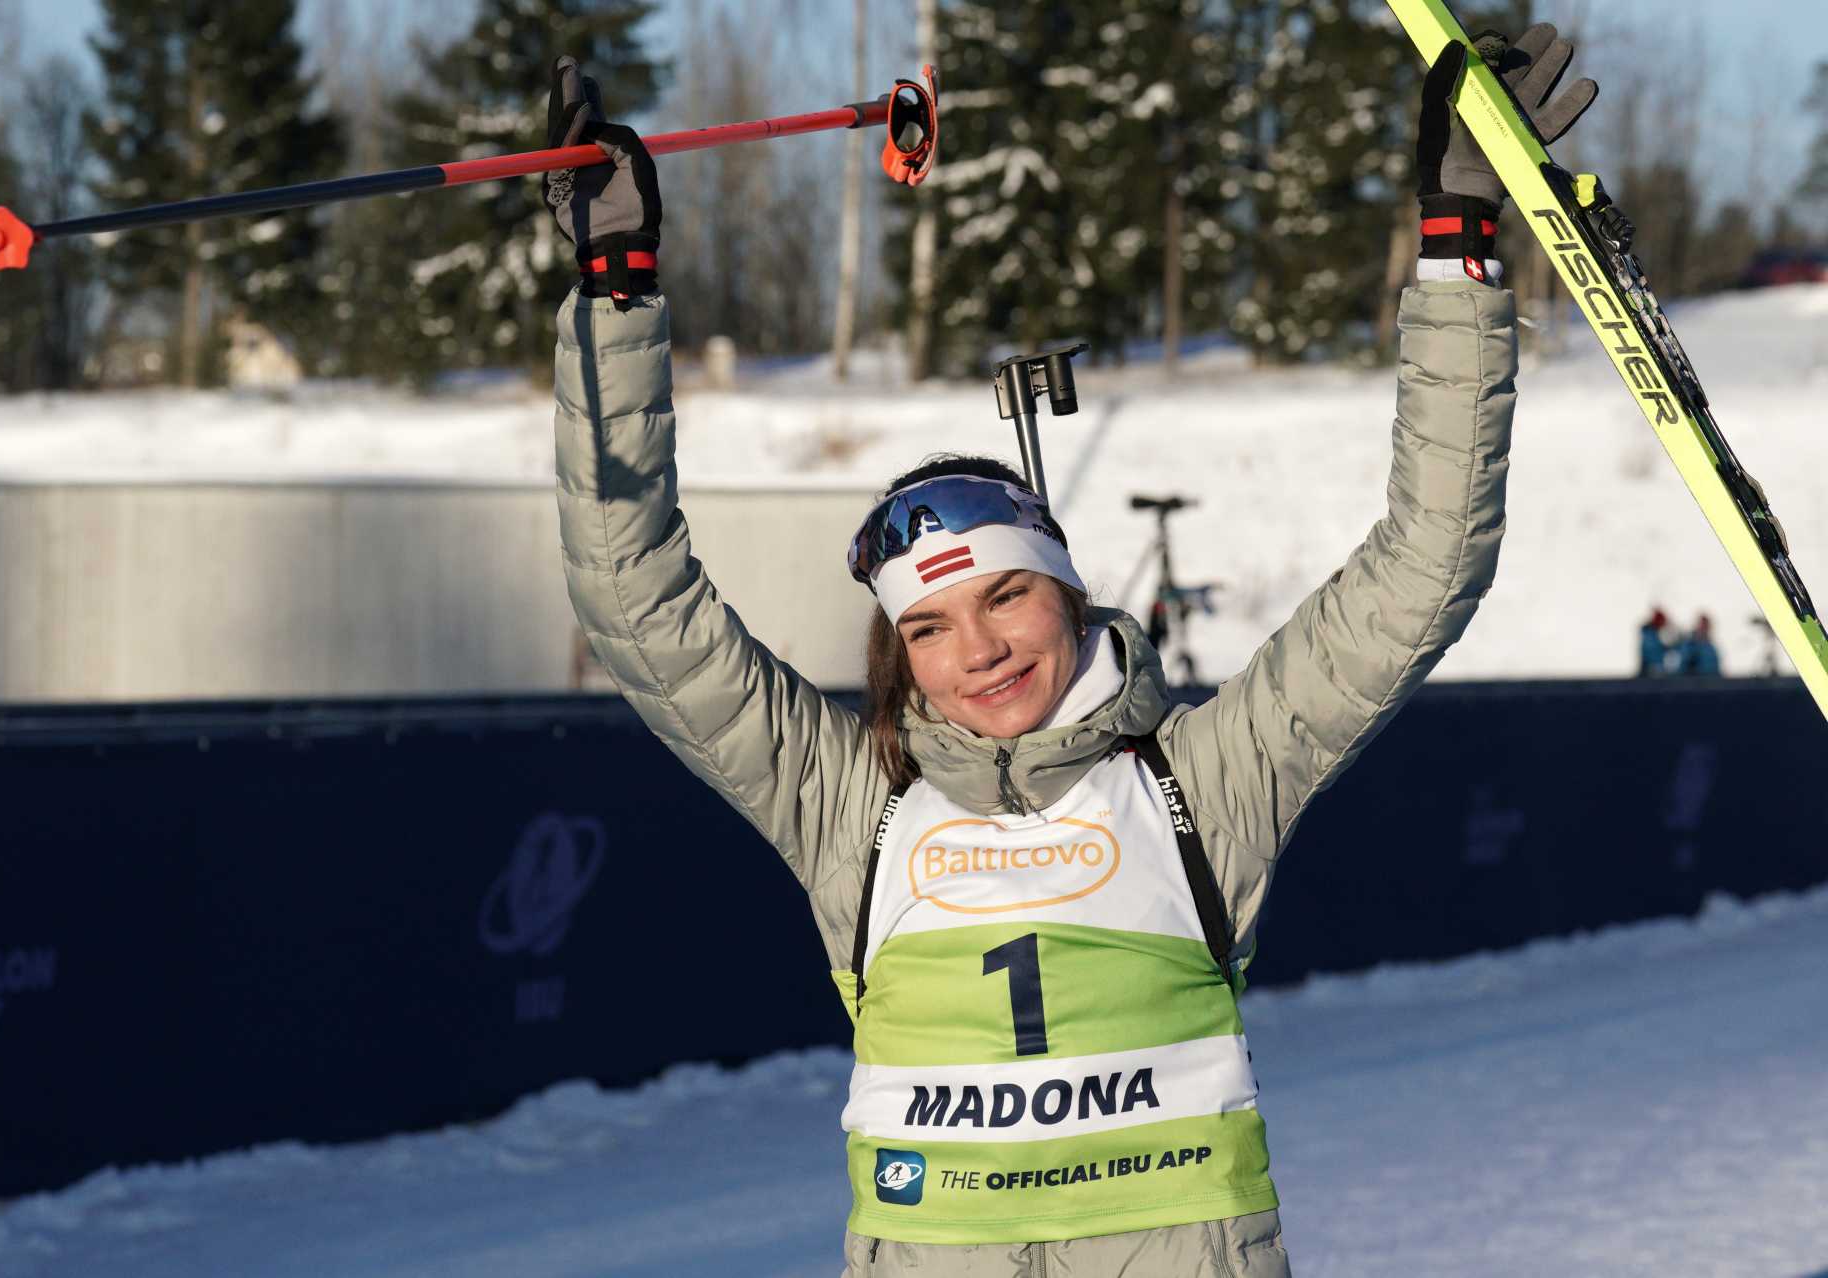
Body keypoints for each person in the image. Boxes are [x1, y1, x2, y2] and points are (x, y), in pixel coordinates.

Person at [545, 26, 1595, 1278]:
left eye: (1006, 598)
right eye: (928, 627)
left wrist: (1459, 244)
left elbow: (1427, 561)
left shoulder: (1204, 779)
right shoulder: (848, 806)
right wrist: (614, 288)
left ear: (1068, 591)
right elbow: (634, 597)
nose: (978, 651)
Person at [1639, 607, 1674, 676]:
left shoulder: (1655, 635)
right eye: (1662, 621)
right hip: (1650, 671)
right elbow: (1652, 654)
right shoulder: (1649, 636)